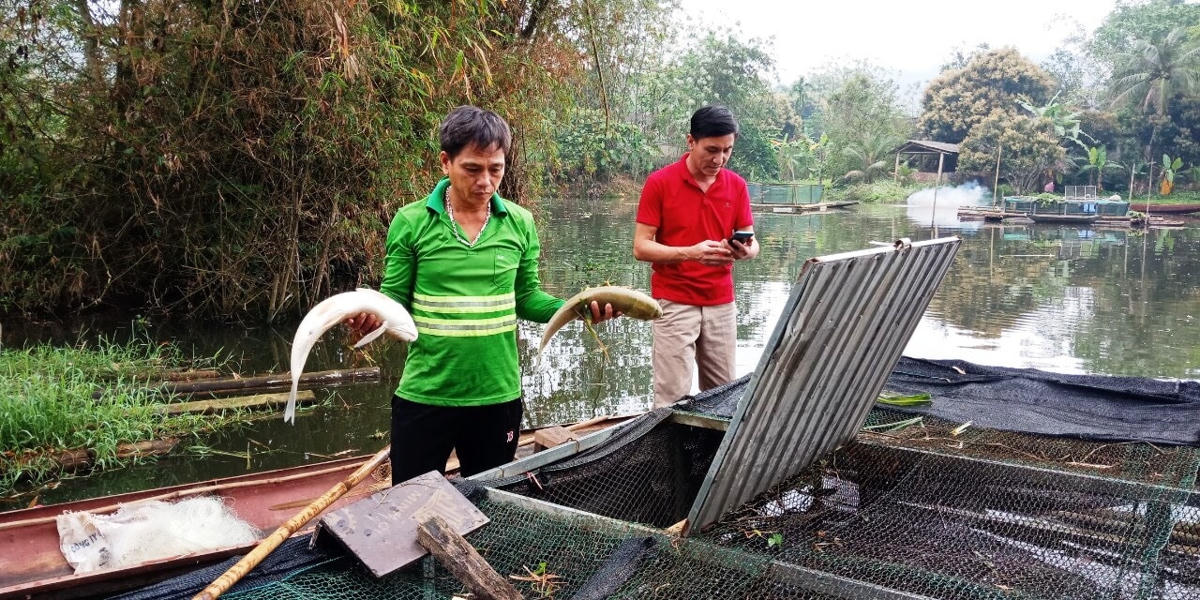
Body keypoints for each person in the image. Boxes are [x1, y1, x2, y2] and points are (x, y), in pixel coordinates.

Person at [347, 106, 618, 484]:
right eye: (472, 169)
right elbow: (393, 304)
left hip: (497, 396)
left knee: (490, 503)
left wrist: (578, 309)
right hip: (426, 394)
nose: (486, 182)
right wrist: (370, 318)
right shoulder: (410, 222)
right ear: (446, 162)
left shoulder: (519, 222)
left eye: (496, 169)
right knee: (410, 505)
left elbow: (527, 298)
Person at [632, 105, 759, 409]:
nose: (719, 159)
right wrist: (691, 252)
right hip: (674, 302)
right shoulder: (660, 183)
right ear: (691, 142)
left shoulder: (736, 186)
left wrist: (744, 251)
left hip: (721, 303)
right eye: (711, 150)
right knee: (671, 397)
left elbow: (753, 243)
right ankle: (667, 456)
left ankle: (711, 456)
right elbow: (641, 247)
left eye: (727, 150)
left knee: (724, 395)